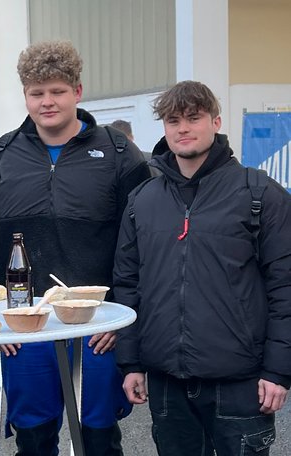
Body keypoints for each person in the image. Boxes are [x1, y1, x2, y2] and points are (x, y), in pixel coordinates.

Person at [0, 40, 150, 455]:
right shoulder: (0, 157)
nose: (47, 102)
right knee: (33, 439)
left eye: (58, 91)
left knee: (98, 439)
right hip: (25, 326)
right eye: (37, 92)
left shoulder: (120, 155)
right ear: (25, 95)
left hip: (98, 326)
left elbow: (141, 244)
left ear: (78, 92)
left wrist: (123, 319)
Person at [113, 80, 291, 456]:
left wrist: (278, 371)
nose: (183, 128)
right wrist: (130, 363)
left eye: (194, 118)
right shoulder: (142, 201)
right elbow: (127, 285)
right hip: (166, 383)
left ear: (216, 121)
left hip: (240, 383)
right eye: (173, 120)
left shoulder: (259, 194)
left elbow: (285, 287)